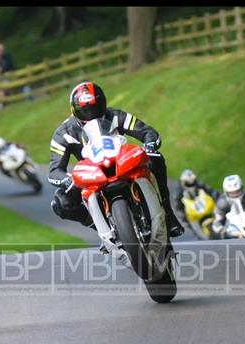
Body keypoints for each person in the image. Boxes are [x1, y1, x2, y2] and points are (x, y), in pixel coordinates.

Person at [47, 81, 184, 237]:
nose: (91, 114)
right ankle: (100, 228)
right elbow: (54, 170)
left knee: (156, 158)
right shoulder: (63, 133)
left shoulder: (115, 115)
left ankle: (167, 212)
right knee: (61, 202)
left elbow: (147, 132)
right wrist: (66, 180)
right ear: (74, 111)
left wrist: (150, 145)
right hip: (92, 174)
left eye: (95, 107)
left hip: (122, 162)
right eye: (85, 110)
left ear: (103, 103)